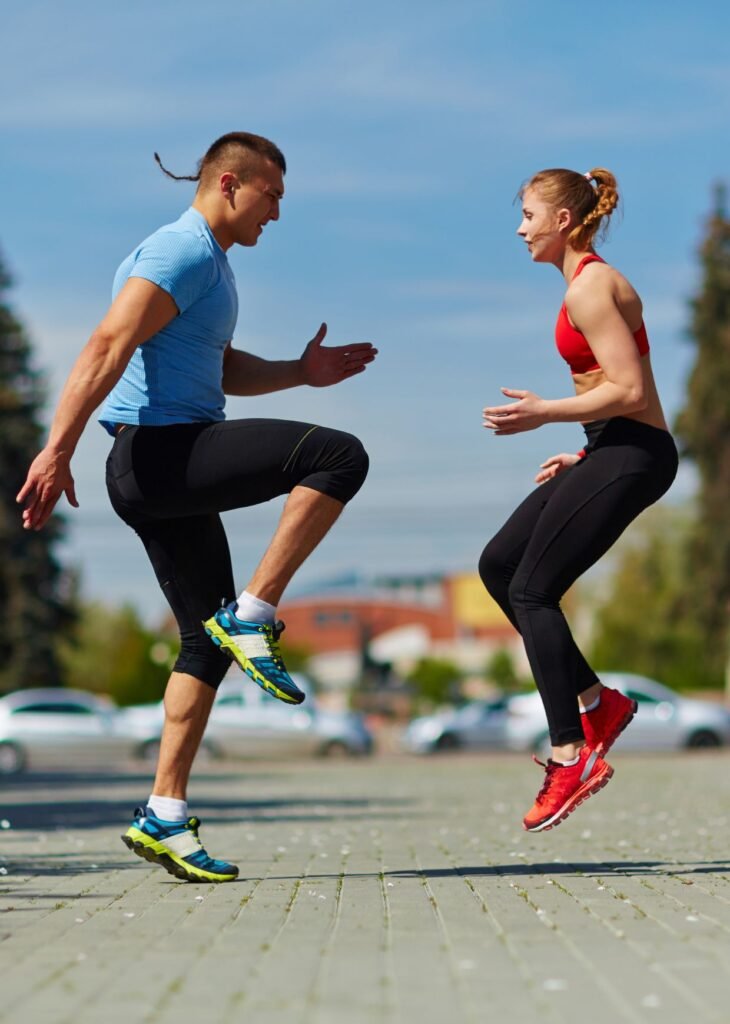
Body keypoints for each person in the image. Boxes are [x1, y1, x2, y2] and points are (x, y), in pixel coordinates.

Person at [16, 131, 377, 881]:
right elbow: (107, 343)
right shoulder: (181, 250)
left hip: (158, 464)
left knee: (201, 642)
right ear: (229, 184)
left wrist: (300, 372)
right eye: (271, 195)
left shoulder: (209, 264)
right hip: (160, 454)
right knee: (338, 456)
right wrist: (56, 449)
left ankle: (164, 814)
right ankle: (255, 614)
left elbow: (218, 367)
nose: (277, 212)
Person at [479, 167, 678, 833]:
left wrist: (545, 413)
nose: (520, 229)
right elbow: (617, 396)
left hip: (636, 451)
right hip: (612, 446)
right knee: (498, 566)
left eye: (528, 215)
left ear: (562, 220)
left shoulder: (592, 286)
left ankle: (572, 754)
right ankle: (599, 701)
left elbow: (630, 390)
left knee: (532, 589)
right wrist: (585, 453)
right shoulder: (581, 285)